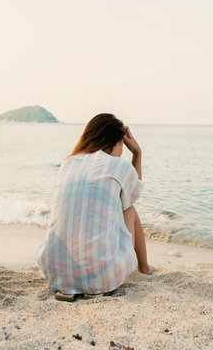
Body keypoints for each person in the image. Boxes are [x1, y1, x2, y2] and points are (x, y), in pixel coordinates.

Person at [36, 113, 152, 301]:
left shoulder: (67, 163)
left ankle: (71, 285)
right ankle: (144, 268)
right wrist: (137, 153)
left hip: (55, 271)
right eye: (122, 144)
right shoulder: (117, 165)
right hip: (101, 276)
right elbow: (134, 193)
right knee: (129, 208)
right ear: (116, 142)